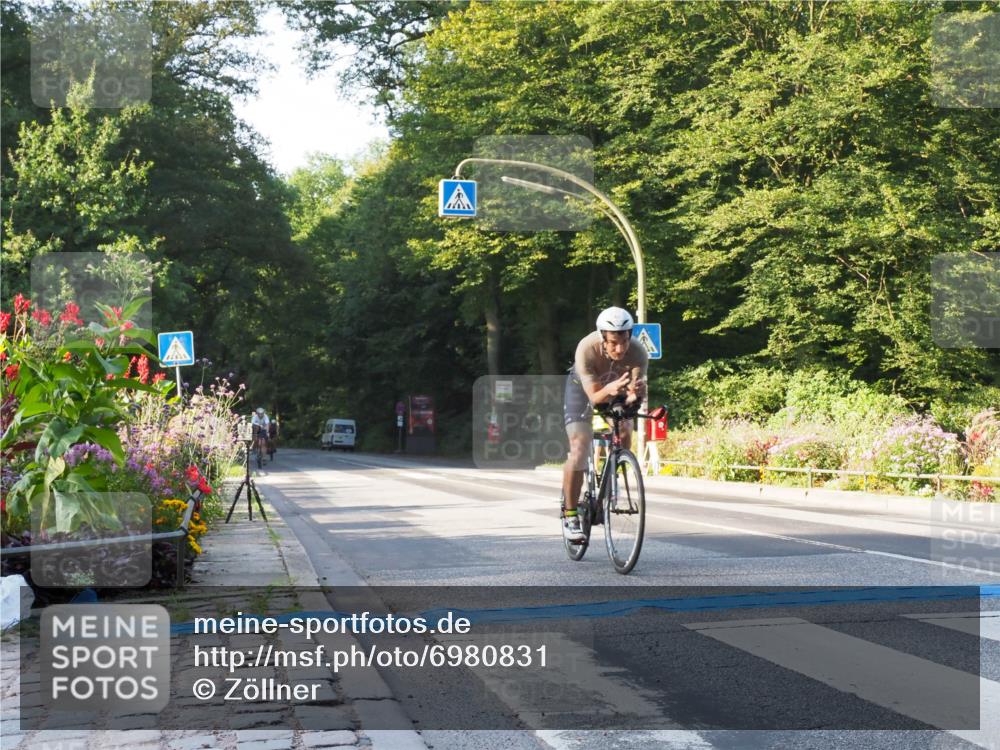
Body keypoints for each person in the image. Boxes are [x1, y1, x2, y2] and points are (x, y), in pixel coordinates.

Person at [562, 307, 648, 542]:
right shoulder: (587, 349)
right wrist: (610, 389)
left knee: (625, 427)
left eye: (624, 341)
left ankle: (614, 477)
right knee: (579, 446)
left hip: (614, 389)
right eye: (613, 343)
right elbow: (595, 397)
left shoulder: (639, 352)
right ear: (603, 337)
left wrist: (635, 395)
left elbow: (632, 396)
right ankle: (570, 515)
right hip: (583, 391)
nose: (620, 349)